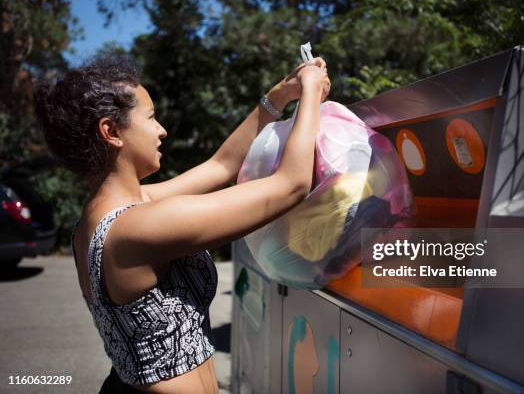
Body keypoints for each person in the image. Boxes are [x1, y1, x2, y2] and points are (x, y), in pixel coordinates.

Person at [34, 53, 330, 393]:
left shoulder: (108, 214)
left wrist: (279, 95)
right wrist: (310, 91)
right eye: (151, 117)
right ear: (111, 131)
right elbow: (290, 186)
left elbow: (221, 166)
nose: (162, 130)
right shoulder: (138, 227)